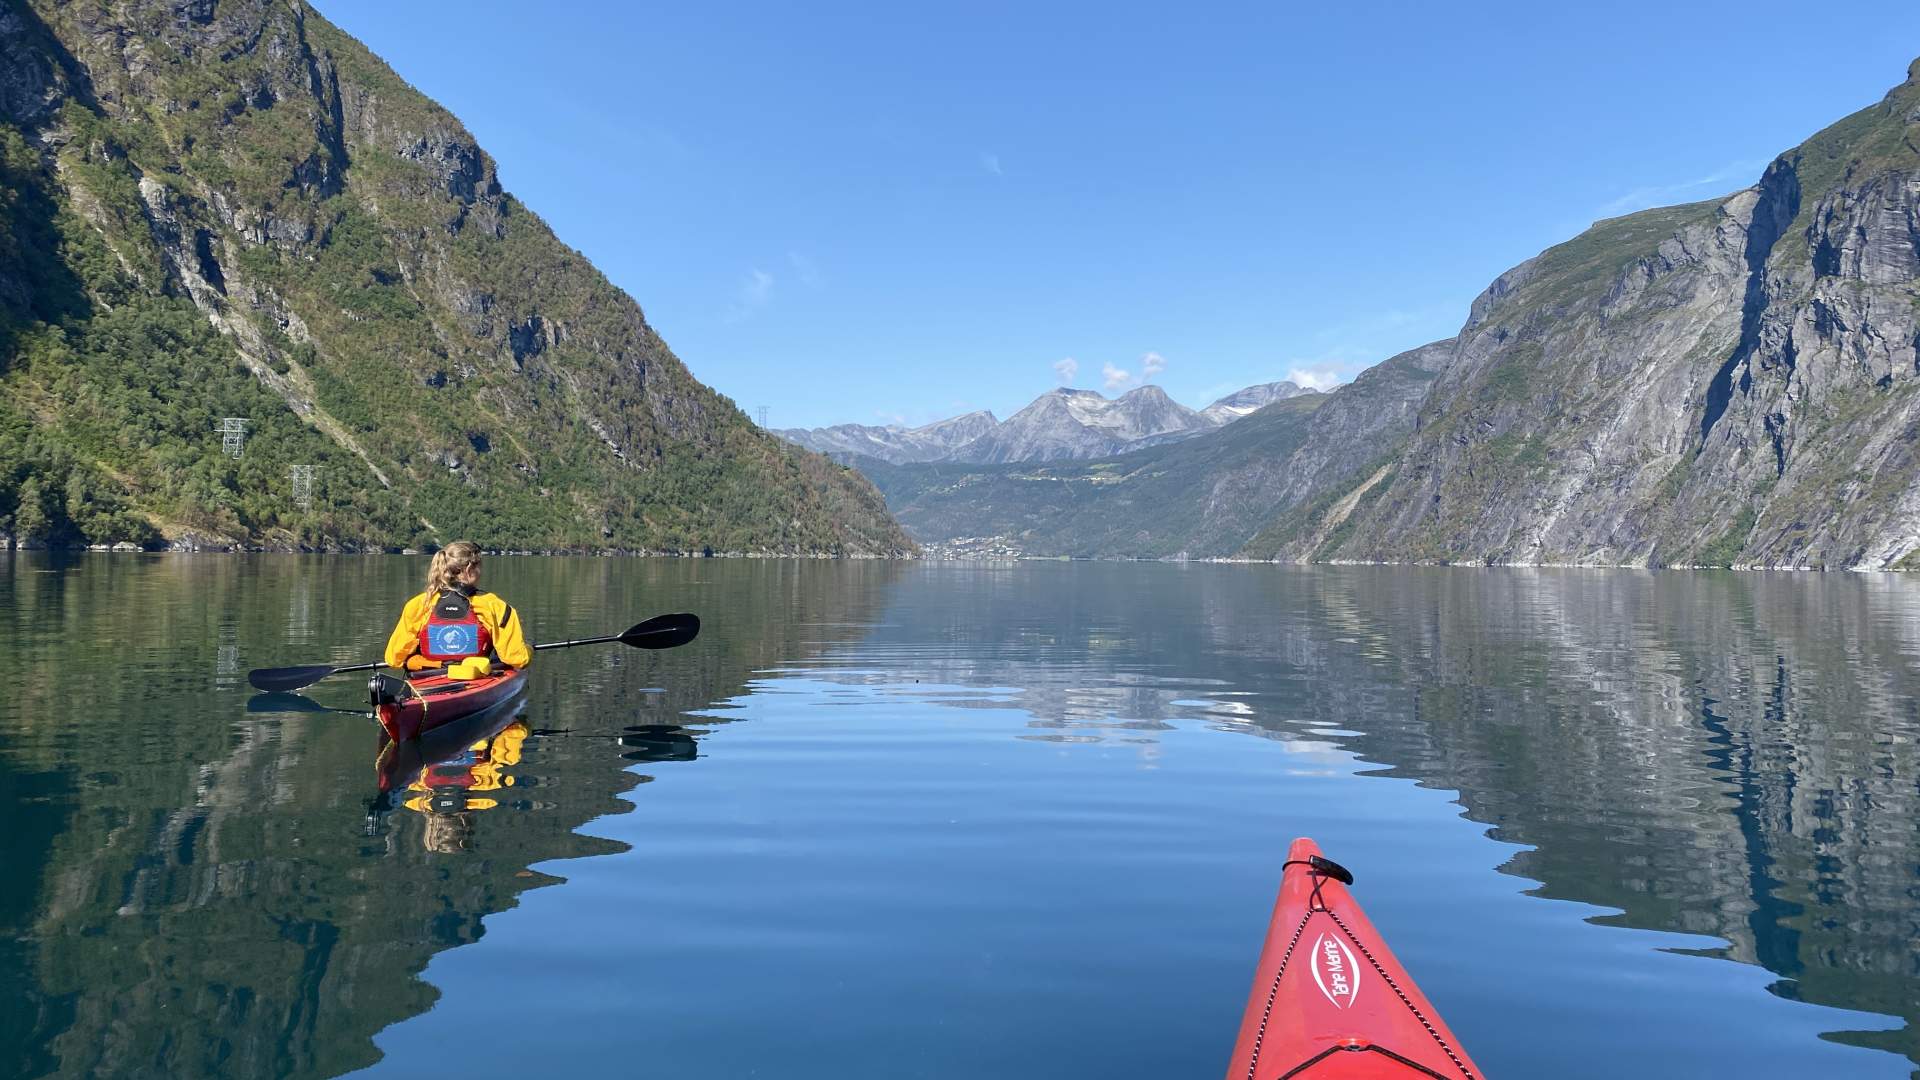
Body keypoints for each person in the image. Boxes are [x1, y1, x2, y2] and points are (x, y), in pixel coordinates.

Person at [384, 542, 531, 674]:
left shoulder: (418, 604)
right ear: (469, 569)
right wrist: (529, 650)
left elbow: (393, 659)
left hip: (429, 676)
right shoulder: (494, 605)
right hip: (475, 678)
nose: (481, 572)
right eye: (479, 567)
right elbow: (517, 659)